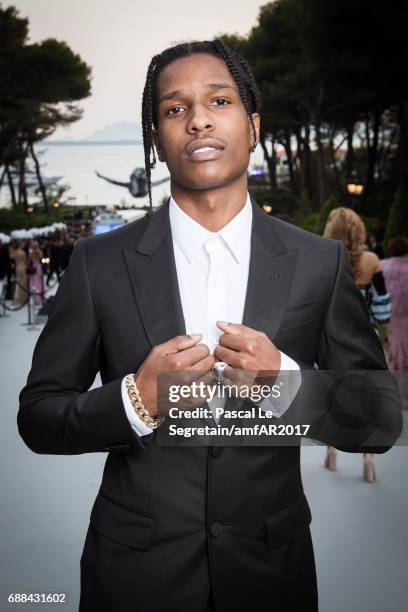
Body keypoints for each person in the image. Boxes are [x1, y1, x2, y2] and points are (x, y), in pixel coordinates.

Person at [18, 41, 402, 612]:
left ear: (252, 125)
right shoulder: (99, 264)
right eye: (174, 109)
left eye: (218, 100)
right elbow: (39, 416)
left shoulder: (318, 262)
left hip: (272, 575)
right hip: (135, 579)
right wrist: (133, 401)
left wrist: (286, 385)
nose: (197, 118)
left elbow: (379, 421)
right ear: (155, 141)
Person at [323, 207, 391, 482]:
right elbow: (382, 306)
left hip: (330, 340)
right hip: (366, 339)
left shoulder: (322, 260)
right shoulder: (372, 260)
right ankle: (369, 459)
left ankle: (331, 450)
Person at [381, 237, 408, 400]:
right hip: (406, 314)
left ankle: (396, 388)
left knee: (394, 348)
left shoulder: (382, 265)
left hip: (390, 314)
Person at [8, 239, 27, 306]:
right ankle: (22, 299)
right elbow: (25, 261)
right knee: (23, 283)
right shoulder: (22, 252)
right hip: (22, 267)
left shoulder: (15, 252)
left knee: (19, 283)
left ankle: (19, 299)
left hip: (17, 267)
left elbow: (10, 257)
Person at [27, 240, 45, 306]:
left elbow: (28, 262)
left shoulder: (31, 253)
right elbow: (42, 260)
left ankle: (35, 299)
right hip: (39, 267)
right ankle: (40, 298)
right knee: (40, 282)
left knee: (34, 282)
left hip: (34, 268)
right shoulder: (40, 252)